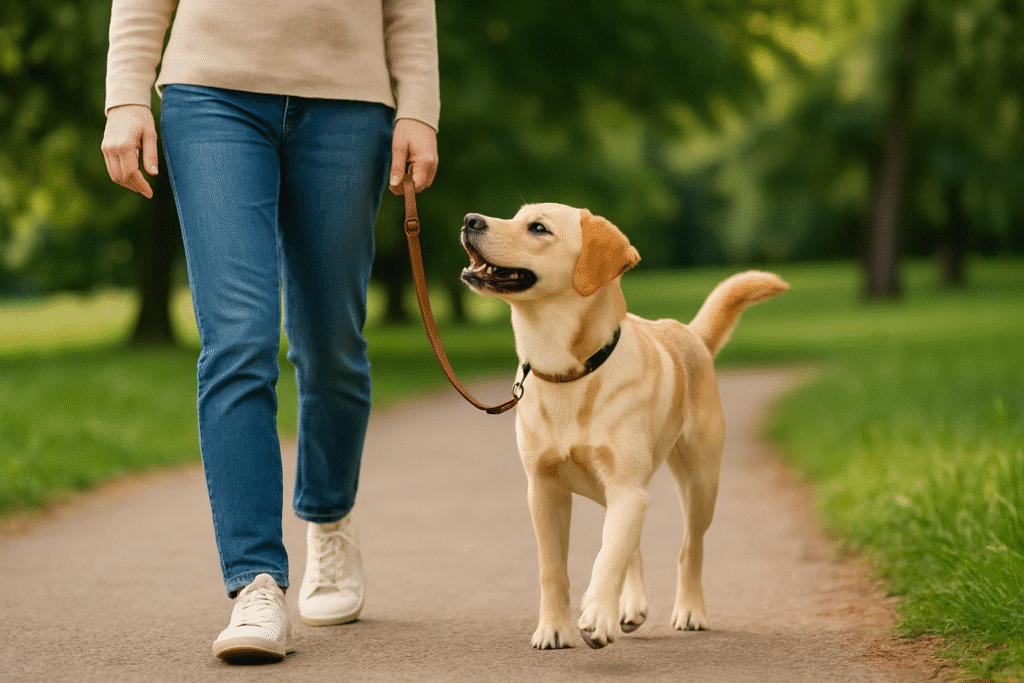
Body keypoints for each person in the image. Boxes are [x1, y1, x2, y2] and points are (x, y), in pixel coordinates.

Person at [101, 0, 439, 663]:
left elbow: (410, 9)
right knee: (237, 340)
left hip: (349, 104)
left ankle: (329, 514)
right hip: (210, 95)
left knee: (330, 345)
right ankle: (255, 581)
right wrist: (124, 95)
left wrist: (419, 107)